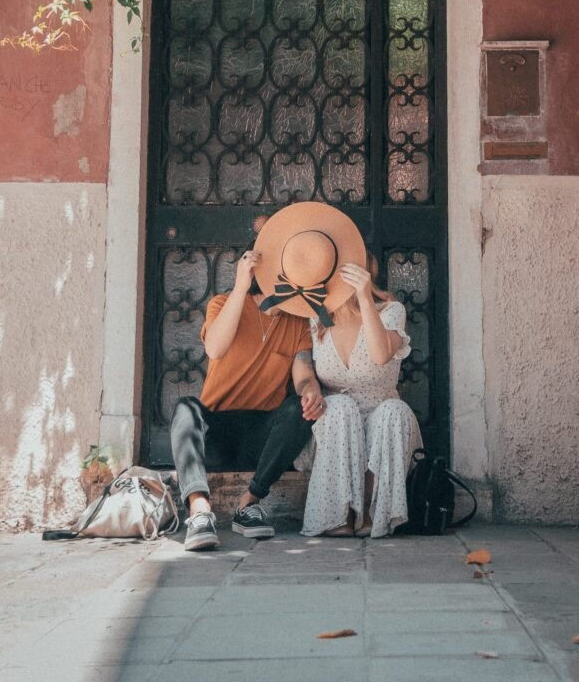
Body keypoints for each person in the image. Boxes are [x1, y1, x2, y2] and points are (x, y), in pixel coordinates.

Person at [249, 201, 421, 539]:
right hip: (336, 428)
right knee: (339, 407)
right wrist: (308, 388)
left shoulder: (390, 310)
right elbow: (303, 368)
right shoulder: (314, 319)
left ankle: (373, 511)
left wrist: (364, 298)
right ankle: (340, 514)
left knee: (393, 411)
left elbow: (380, 354)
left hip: (384, 425)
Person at [170, 247, 325, 552]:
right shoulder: (223, 303)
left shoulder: (297, 323)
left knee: (299, 407)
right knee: (185, 408)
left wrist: (312, 390)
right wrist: (241, 286)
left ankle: (249, 502)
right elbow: (214, 348)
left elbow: (303, 375)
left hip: (262, 438)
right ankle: (199, 511)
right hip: (215, 432)